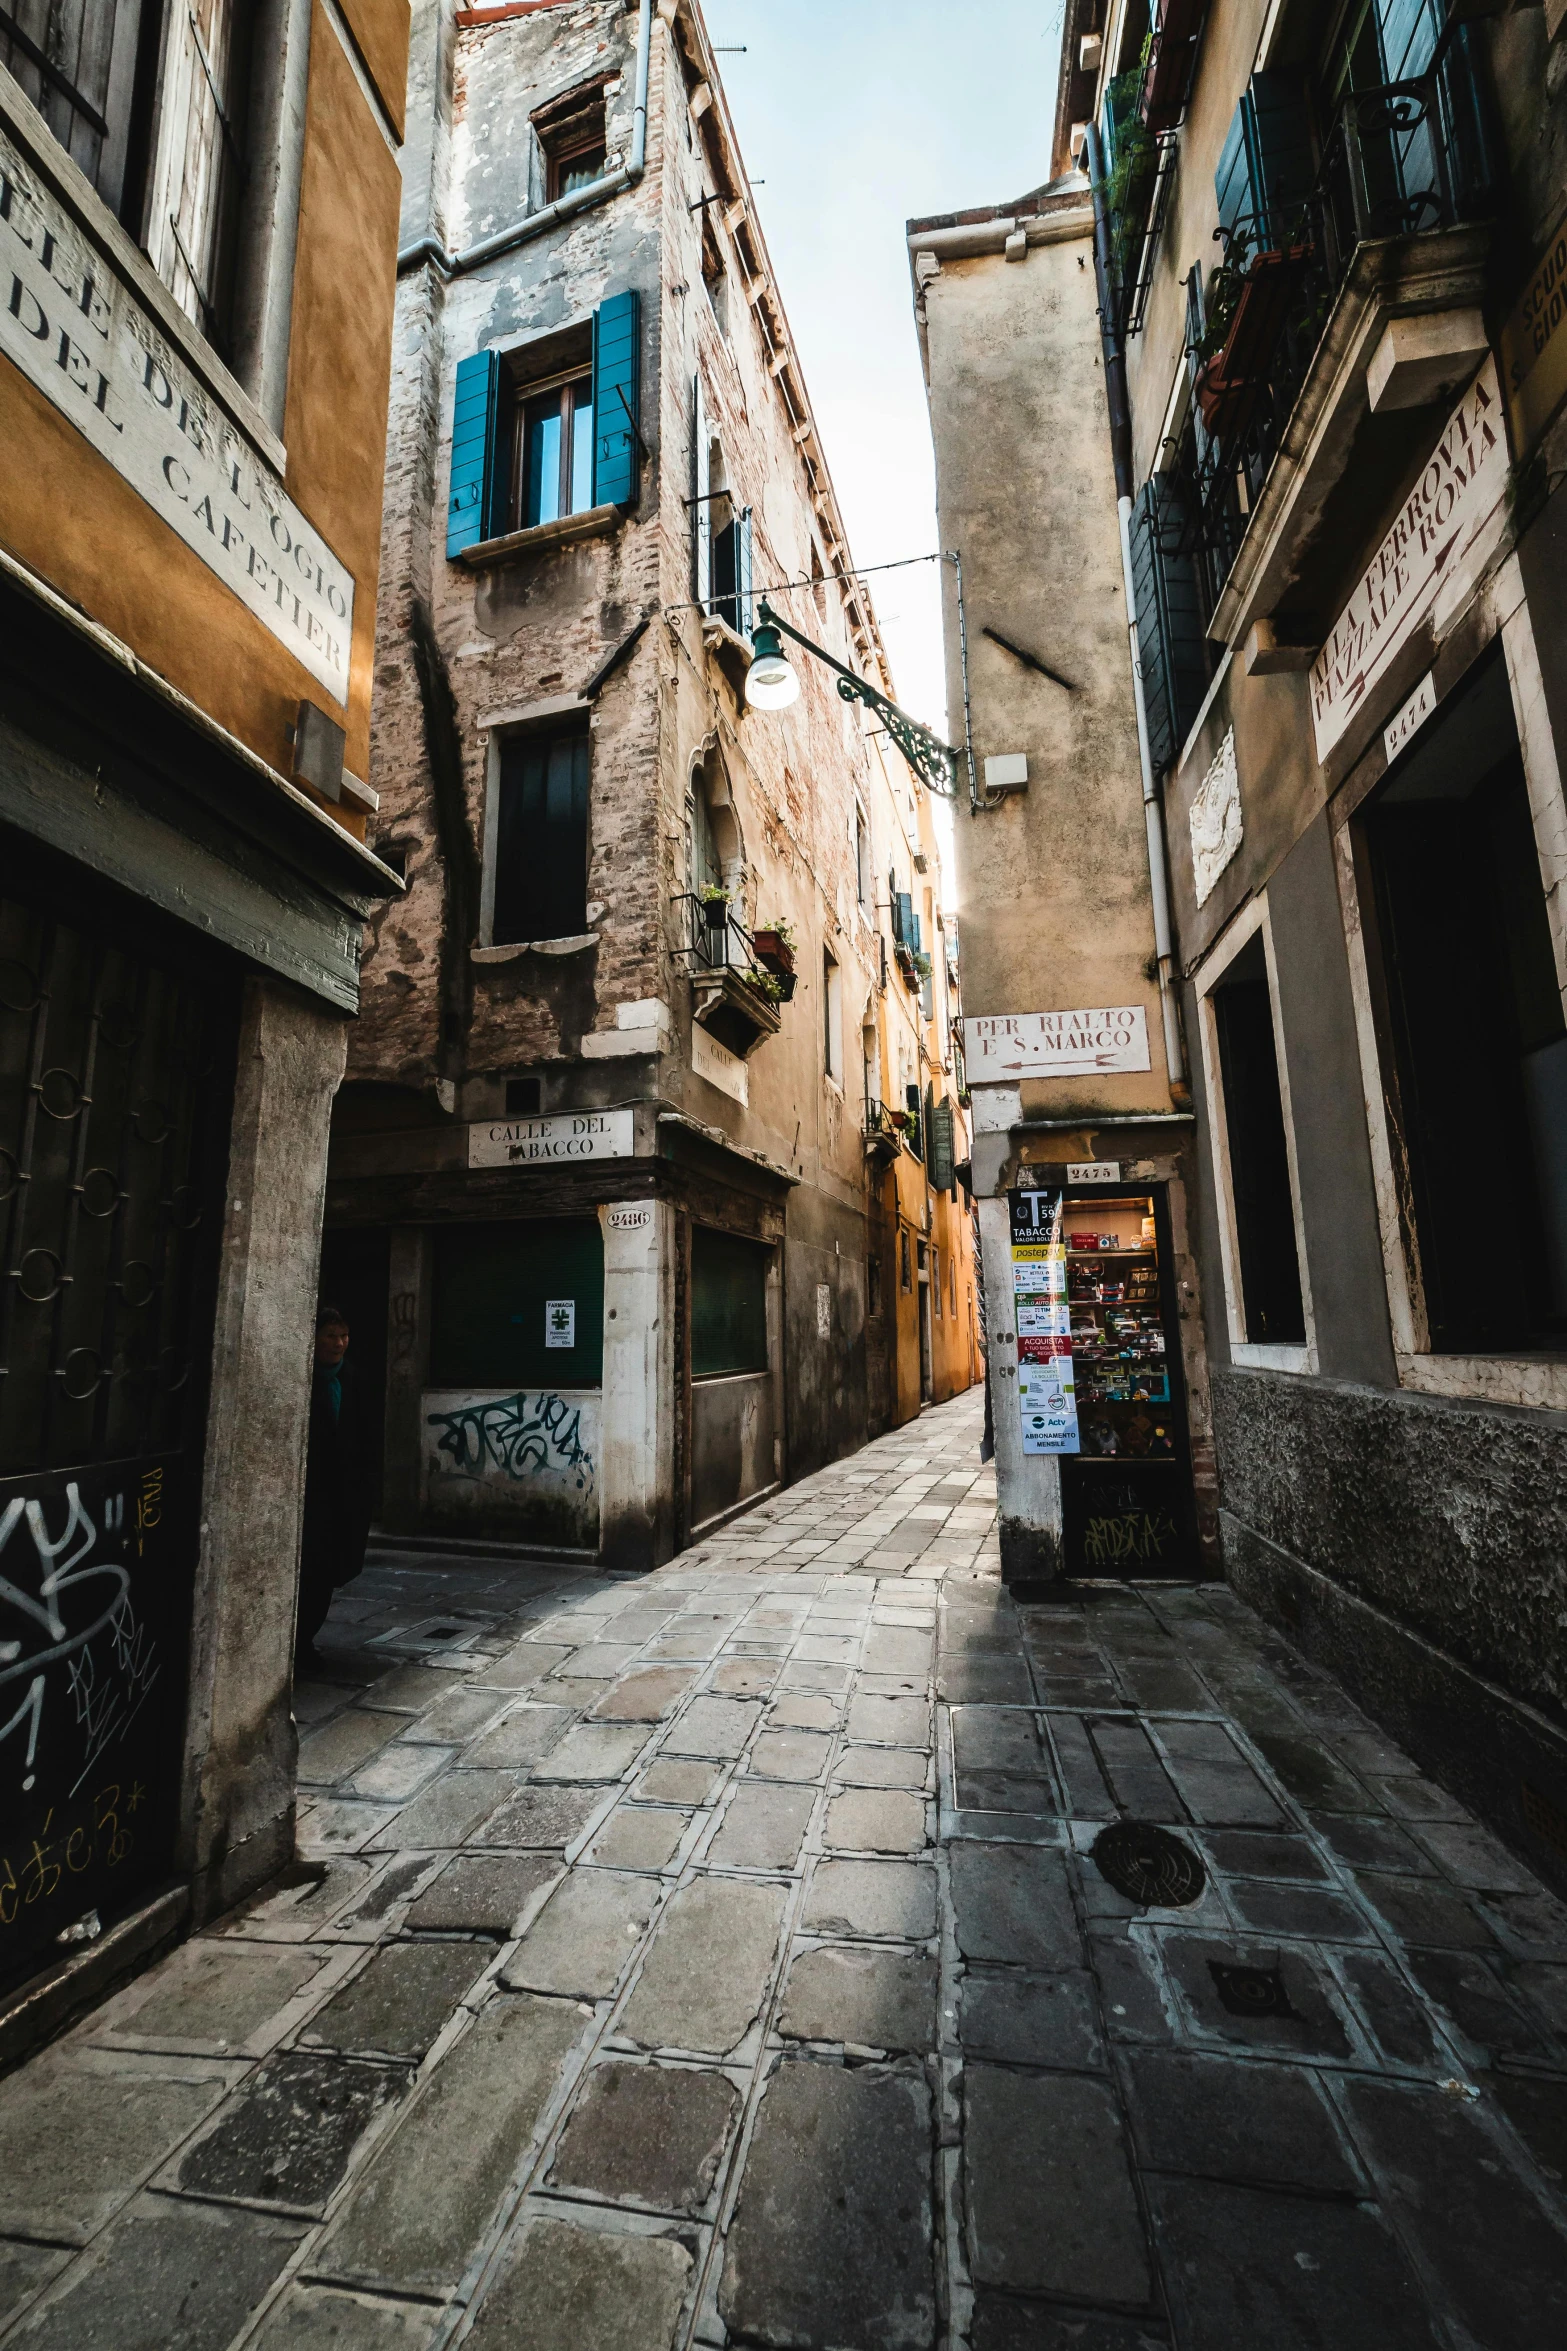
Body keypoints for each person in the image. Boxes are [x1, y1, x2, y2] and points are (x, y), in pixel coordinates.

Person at [295, 1304, 375, 1667]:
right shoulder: (300, 1381)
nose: (339, 1343)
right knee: (306, 1568)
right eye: (330, 1336)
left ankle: (306, 1638)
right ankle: (295, 1642)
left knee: (327, 1572)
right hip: (309, 1494)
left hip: (343, 1494)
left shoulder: (355, 1380)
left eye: (343, 1336)